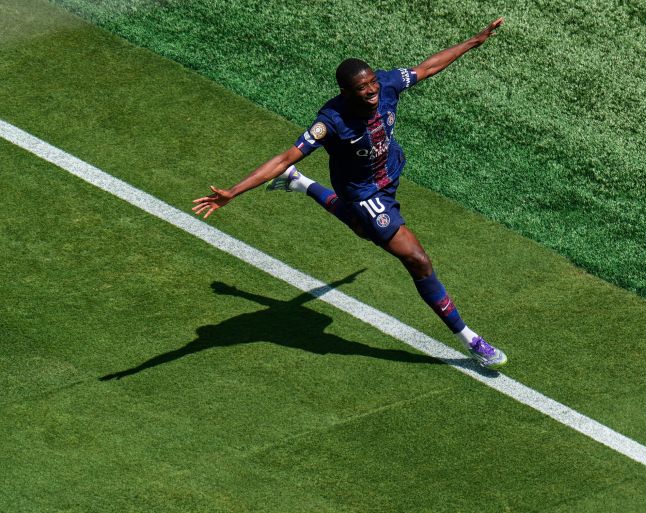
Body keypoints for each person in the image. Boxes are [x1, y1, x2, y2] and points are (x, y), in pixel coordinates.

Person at [193, 18, 507, 369]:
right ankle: (470, 340)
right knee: (417, 259)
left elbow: (426, 67)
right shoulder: (330, 122)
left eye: (373, 82)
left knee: (363, 229)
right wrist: (233, 192)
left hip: (391, 171)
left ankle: (301, 183)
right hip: (362, 192)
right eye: (363, 87)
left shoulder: (387, 85)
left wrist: (473, 42)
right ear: (346, 92)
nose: (372, 90)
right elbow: (284, 156)